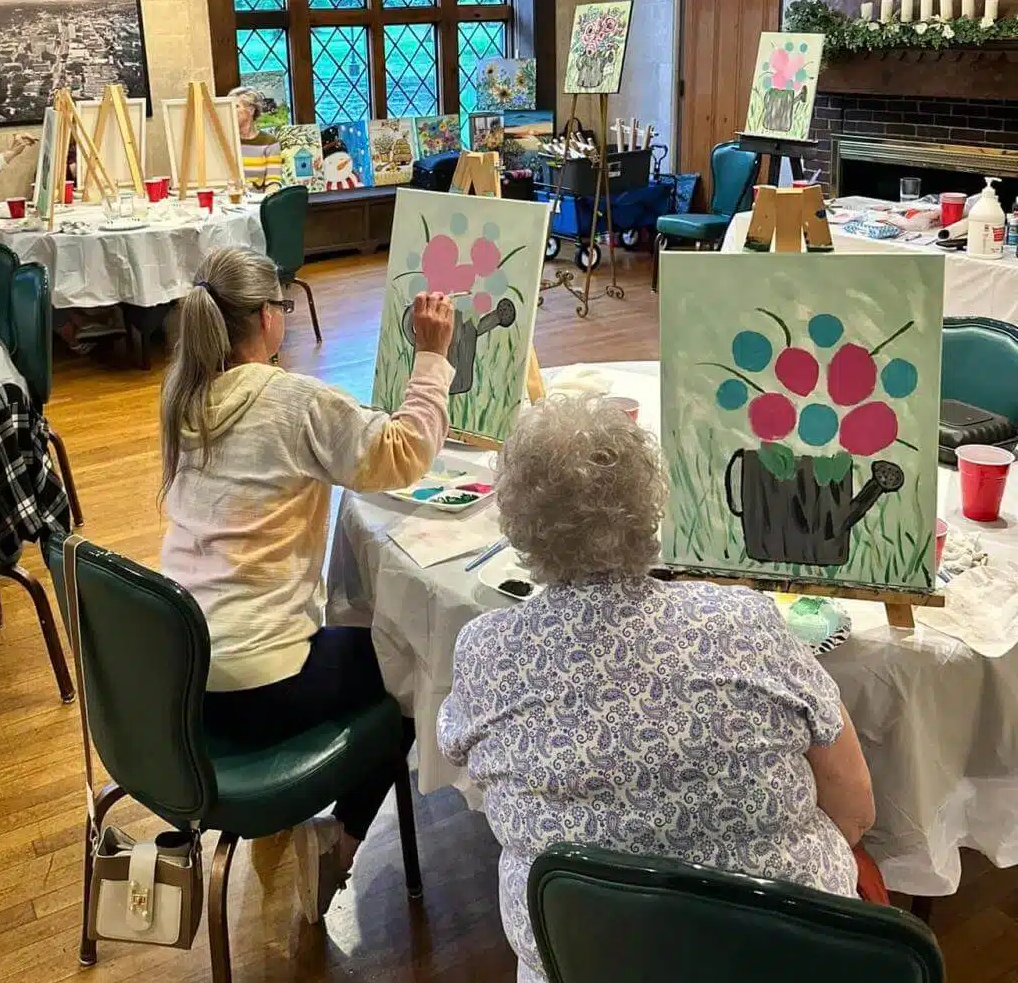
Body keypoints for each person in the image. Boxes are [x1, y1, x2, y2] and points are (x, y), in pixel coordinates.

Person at [437, 393, 876, 983]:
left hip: (585, 961)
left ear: (516, 522)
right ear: (651, 507)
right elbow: (854, 805)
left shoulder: (485, 652)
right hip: (780, 957)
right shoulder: (746, 620)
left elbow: (458, 750)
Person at [159, 245, 455, 923]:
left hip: (179, 678)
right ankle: (340, 845)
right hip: (255, 680)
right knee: (409, 658)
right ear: (267, 316)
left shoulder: (183, 393)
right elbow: (405, 453)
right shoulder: (292, 401)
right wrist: (433, 356)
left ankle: (302, 832)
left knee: (354, 642)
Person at [232, 88, 283, 191]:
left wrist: (267, 201)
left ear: (251, 110)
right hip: (229, 202)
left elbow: (273, 181)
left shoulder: (269, 142)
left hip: (257, 203)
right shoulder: (226, 141)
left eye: (236, 106)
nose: (231, 109)